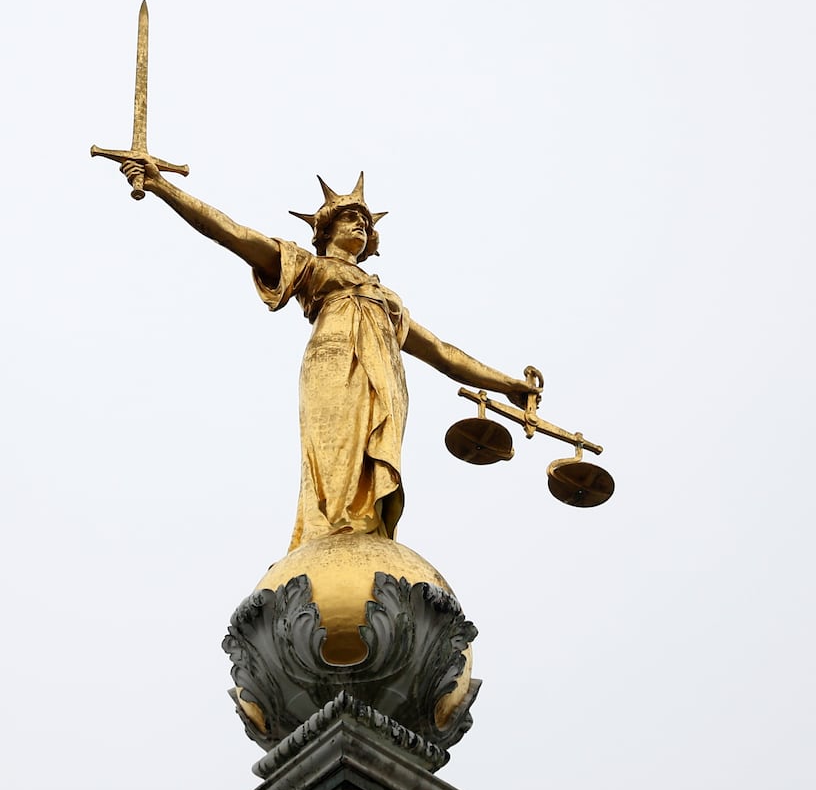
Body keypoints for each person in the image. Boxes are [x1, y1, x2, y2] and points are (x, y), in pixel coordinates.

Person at [118, 160, 540, 551]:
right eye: (349, 217)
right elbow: (233, 233)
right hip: (334, 363)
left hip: (386, 378)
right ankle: (327, 530)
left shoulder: (386, 299)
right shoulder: (311, 268)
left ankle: (365, 527)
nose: (359, 223)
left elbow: (442, 354)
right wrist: (162, 185)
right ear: (325, 230)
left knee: (369, 457)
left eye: (365, 222)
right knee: (334, 447)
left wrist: (509, 385)